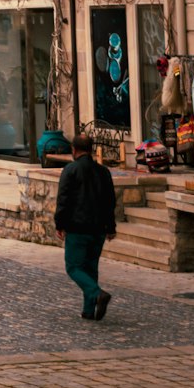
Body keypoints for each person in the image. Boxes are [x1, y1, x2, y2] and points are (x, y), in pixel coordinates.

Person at [54, 132, 117, 321]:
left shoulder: (70, 170)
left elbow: (63, 200)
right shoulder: (103, 172)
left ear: (74, 150)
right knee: (90, 268)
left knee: (73, 267)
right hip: (98, 229)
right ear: (91, 150)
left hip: (77, 228)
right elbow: (110, 201)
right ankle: (89, 310)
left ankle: (96, 294)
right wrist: (111, 227)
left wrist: (60, 224)